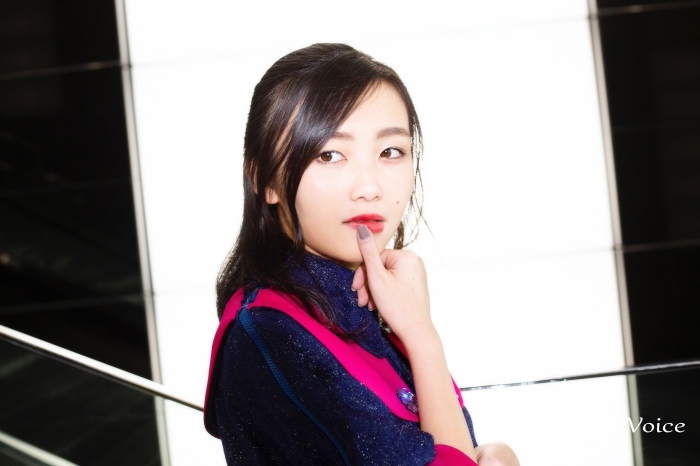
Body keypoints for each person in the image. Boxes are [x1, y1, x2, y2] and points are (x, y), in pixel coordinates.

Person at [204, 43, 519, 466]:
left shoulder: (369, 304)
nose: (369, 187)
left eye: (390, 152)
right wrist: (422, 336)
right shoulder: (271, 332)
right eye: (330, 154)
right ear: (265, 180)